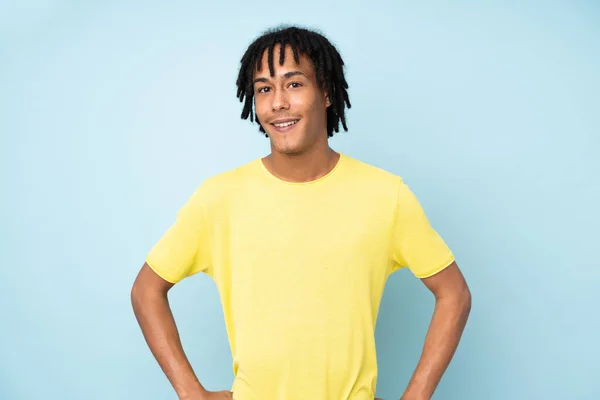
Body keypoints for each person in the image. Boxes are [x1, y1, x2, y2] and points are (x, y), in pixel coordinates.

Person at [131, 25, 472, 400]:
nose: (277, 102)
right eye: (264, 88)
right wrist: (190, 392)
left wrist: (416, 395)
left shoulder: (386, 195)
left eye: (294, 84)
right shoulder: (219, 199)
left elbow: (454, 293)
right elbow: (147, 290)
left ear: (326, 92)